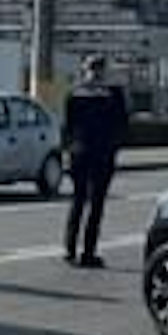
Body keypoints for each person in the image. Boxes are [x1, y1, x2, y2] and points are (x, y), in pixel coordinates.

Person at [62, 53, 129, 268]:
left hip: (79, 153)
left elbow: (68, 127)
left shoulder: (74, 94)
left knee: (78, 200)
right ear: (104, 71)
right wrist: (114, 146)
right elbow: (122, 124)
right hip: (102, 154)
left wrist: (70, 149)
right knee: (96, 204)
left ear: (85, 70)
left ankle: (70, 249)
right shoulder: (113, 95)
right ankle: (88, 252)